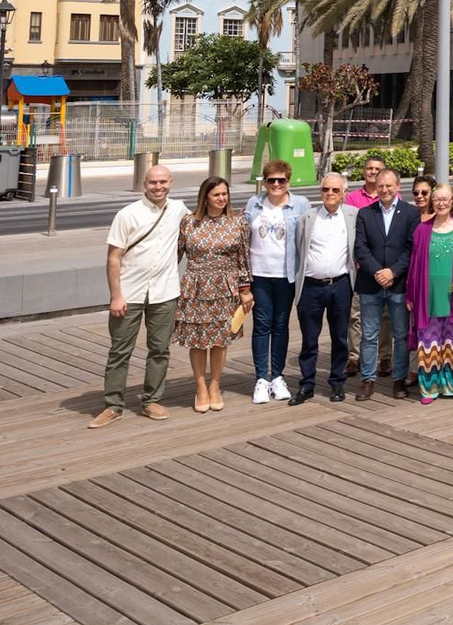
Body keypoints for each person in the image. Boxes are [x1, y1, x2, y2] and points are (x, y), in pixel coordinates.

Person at [92, 165, 190, 427]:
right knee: (119, 351)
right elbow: (113, 258)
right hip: (130, 293)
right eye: (152, 183)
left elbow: (203, 227)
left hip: (165, 291)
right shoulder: (127, 214)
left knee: (159, 350)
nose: (158, 187)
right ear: (144, 184)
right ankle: (113, 405)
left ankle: (151, 401)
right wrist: (116, 296)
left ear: (171, 182)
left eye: (163, 182)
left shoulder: (180, 210)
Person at [173, 176, 250, 415]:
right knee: (197, 340)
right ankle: (200, 387)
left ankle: (215, 385)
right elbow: (174, 255)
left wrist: (245, 289)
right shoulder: (189, 222)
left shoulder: (237, 222)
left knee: (220, 339)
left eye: (225, 194)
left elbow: (244, 258)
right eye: (216, 194)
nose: (221, 198)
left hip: (225, 286)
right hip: (195, 286)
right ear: (205, 196)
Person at [244, 159, 310, 404]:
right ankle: (261, 378)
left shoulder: (300, 204)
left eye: (280, 180)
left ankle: (277, 376)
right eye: (271, 180)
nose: (275, 184)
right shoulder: (254, 203)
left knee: (281, 324)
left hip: (286, 275)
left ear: (288, 181)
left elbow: (308, 237)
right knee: (262, 324)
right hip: (259, 274)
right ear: (265, 181)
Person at [354, 166, 419, 401]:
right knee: (369, 334)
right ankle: (368, 379)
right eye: (380, 185)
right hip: (371, 284)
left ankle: (399, 379)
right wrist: (378, 272)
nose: (384, 189)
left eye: (388, 185)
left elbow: (411, 248)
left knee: (400, 335)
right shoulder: (365, 213)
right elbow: (360, 248)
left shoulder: (411, 214)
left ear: (398, 187)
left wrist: (392, 272)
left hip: (399, 283)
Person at [292, 175, 357, 405]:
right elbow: (298, 249)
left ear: (343, 193)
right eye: (325, 189)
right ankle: (307, 383)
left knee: (340, 337)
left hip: (340, 285)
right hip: (311, 286)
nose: (329, 193)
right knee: (309, 338)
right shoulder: (307, 218)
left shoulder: (352, 216)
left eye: (335, 189)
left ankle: (337, 381)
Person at [407, 186, 453, 402]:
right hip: (428, 292)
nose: (441, 203)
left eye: (445, 199)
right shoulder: (422, 229)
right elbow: (414, 265)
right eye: (437, 200)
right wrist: (410, 295)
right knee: (429, 341)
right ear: (432, 203)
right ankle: (430, 388)